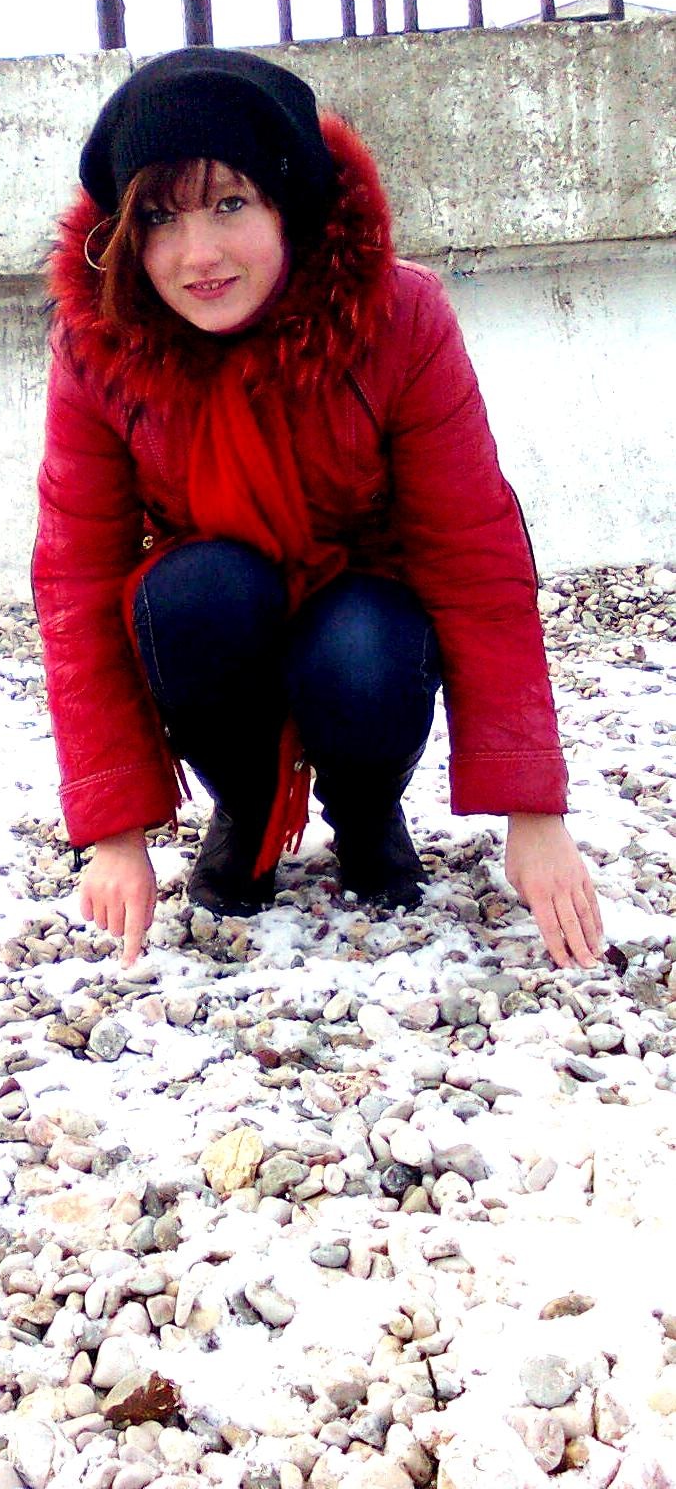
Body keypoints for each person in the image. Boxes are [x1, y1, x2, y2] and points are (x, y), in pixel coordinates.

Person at [32, 47, 603, 972]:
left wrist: (534, 813)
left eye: (230, 204)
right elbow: (76, 579)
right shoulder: (101, 344)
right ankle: (247, 806)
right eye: (163, 217)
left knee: (362, 642)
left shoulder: (399, 317)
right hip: (220, 608)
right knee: (198, 593)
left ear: (289, 202)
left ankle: (366, 807)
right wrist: (115, 832)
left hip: (365, 613)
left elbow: (474, 553)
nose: (198, 255)